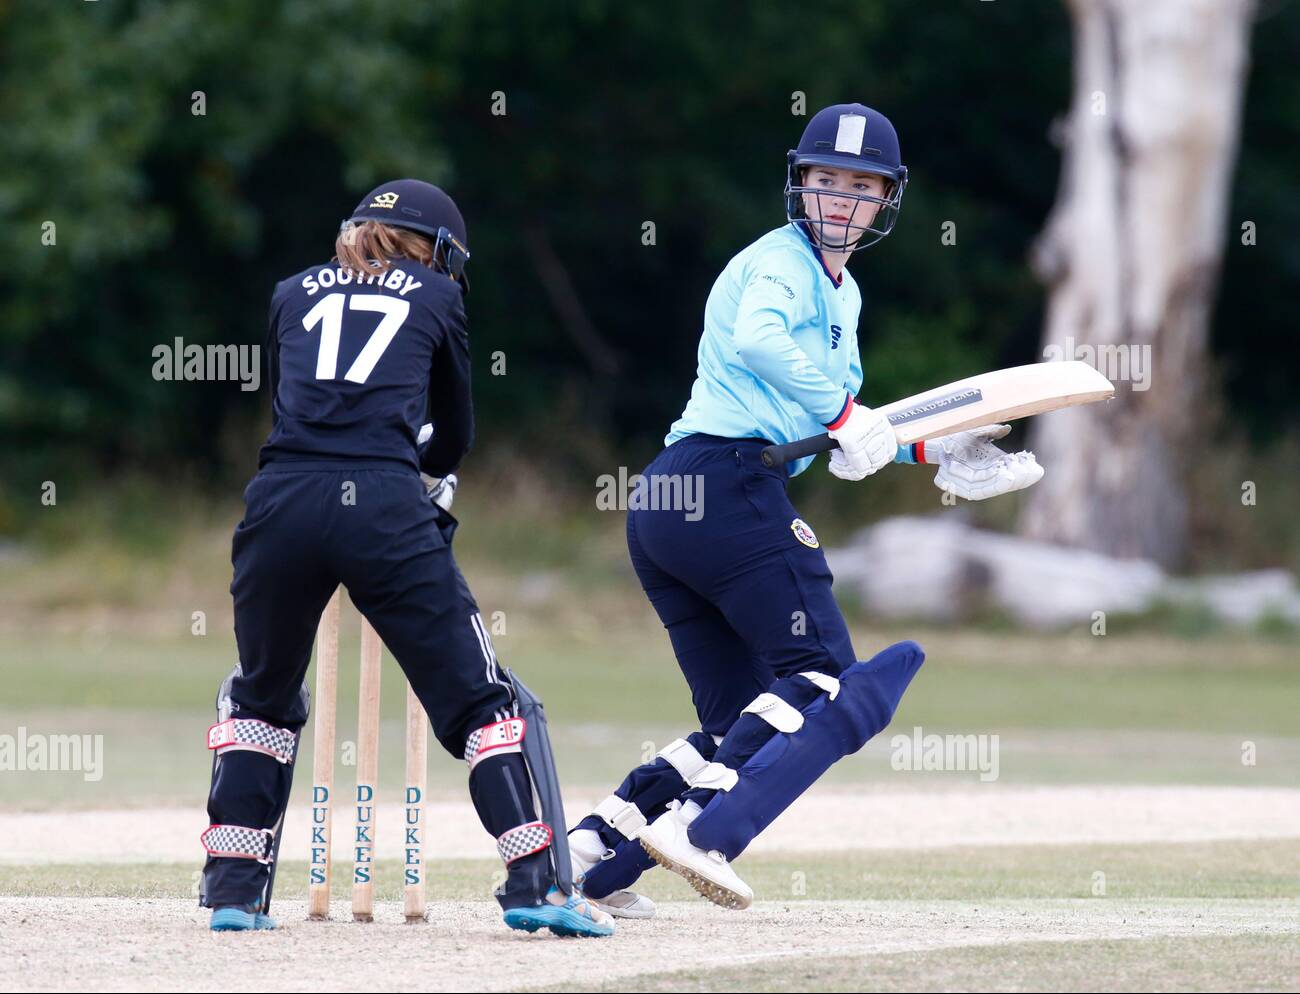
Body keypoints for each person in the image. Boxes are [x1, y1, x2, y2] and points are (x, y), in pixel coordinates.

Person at [568, 104, 1042, 914]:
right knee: (819, 677)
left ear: (886, 199)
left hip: (669, 500)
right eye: (826, 180)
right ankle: (699, 828)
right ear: (800, 184)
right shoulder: (783, 264)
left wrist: (934, 452)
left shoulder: (842, 291)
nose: (839, 200)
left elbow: (840, 420)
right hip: (726, 486)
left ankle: (592, 855)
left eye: (860, 186)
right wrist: (846, 418)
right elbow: (762, 346)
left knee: (739, 725)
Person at [199, 179, 613, 937]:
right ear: (435, 250)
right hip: (383, 505)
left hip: (279, 501)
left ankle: (232, 890)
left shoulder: (290, 292)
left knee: (262, 694)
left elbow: (303, 406)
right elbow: (453, 432)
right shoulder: (437, 298)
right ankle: (533, 881)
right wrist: (422, 470)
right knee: (483, 703)